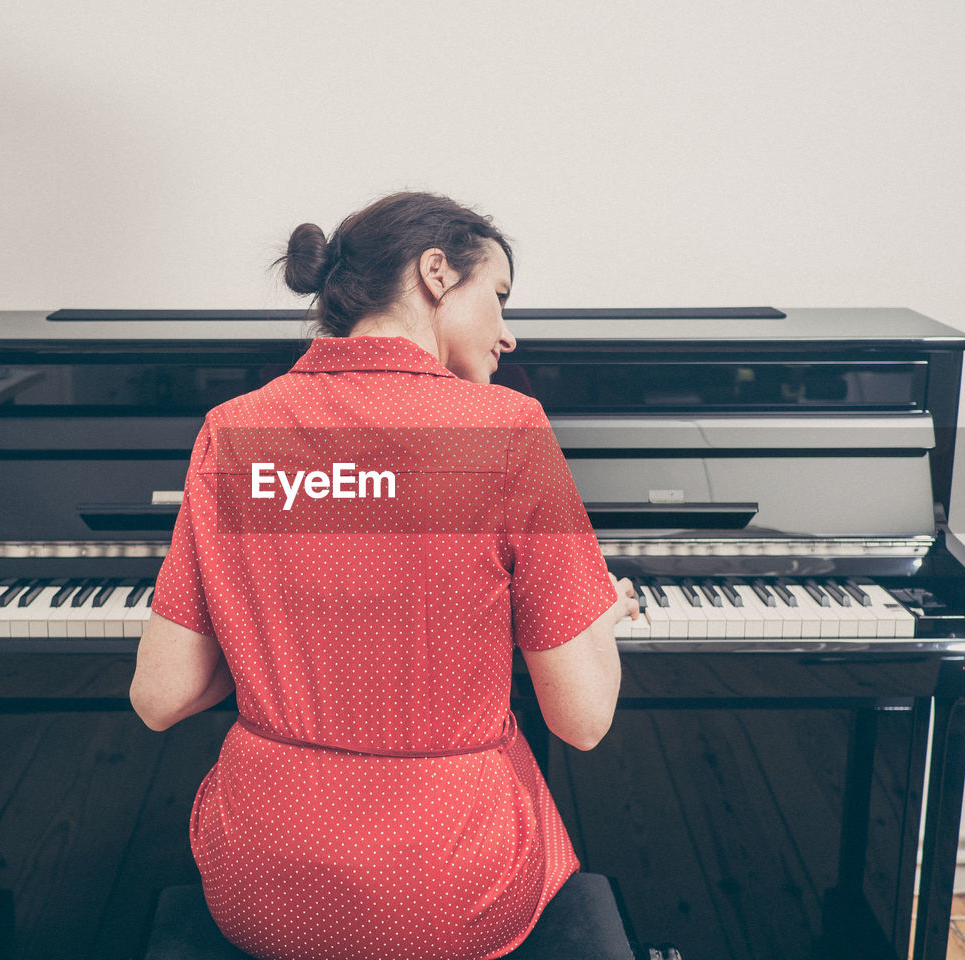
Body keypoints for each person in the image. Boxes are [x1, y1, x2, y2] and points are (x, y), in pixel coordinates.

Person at [130, 191, 640, 960]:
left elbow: (159, 696)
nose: (508, 334)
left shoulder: (232, 431)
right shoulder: (508, 430)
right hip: (450, 891)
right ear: (436, 272)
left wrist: (290, 660)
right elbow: (583, 719)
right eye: (497, 297)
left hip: (260, 890)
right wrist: (595, 616)